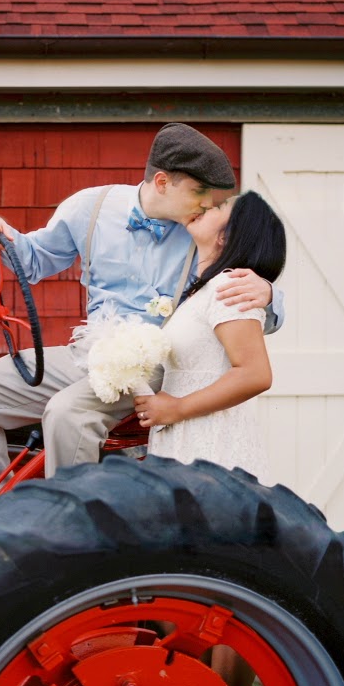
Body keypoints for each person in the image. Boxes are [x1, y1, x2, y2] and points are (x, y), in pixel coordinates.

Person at [0, 123, 285, 513]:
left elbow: (237, 293)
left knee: (67, 415)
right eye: (198, 192)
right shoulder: (90, 207)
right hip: (87, 352)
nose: (206, 205)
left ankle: (72, 537)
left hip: (152, 366)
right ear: (162, 182)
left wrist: (271, 293)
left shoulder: (200, 231)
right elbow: (34, 260)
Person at [134, 189, 286, 484]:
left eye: (219, 207)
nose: (205, 206)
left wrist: (177, 408)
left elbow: (255, 374)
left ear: (226, 237)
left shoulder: (230, 287)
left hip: (211, 443)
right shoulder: (205, 290)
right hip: (185, 436)